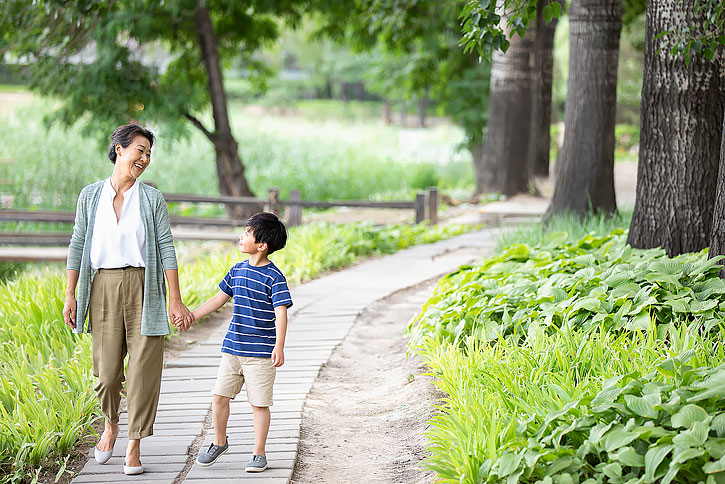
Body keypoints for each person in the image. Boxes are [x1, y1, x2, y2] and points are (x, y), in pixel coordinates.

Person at [62, 123, 193, 476]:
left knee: (143, 370)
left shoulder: (151, 198)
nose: (145, 158)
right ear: (119, 149)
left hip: (144, 286)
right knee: (106, 374)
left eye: (149, 153)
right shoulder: (90, 196)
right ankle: (111, 424)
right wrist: (70, 294)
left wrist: (175, 300)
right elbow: (77, 245)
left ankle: (134, 444)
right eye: (140, 150)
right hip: (102, 285)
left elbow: (166, 247)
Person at [186, 212, 292, 473]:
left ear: (262, 245)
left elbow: (281, 313)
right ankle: (219, 442)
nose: (241, 236)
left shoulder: (274, 277)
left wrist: (279, 346)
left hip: (261, 355)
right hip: (232, 350)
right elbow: (218, 299)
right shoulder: (237, 270)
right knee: (219, 397)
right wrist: (193, 316)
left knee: (259, 404)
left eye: (247, 233)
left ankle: (259, 453)